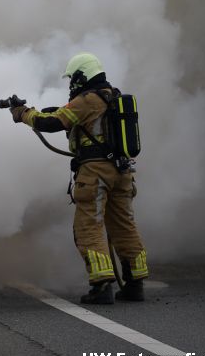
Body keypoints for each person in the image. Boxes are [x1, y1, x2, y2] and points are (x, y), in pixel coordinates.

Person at [8, 53, 148, 304]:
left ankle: (102, 285)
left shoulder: (88, 100)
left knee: (89, 227)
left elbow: (49, 123)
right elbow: (78, 120)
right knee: (124, 226)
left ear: (82, 76)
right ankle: (135, 283)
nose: (72, 83)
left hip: (96, 174)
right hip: (122, 172)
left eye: (73, 78)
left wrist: (23, 113)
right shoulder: (112, 96)